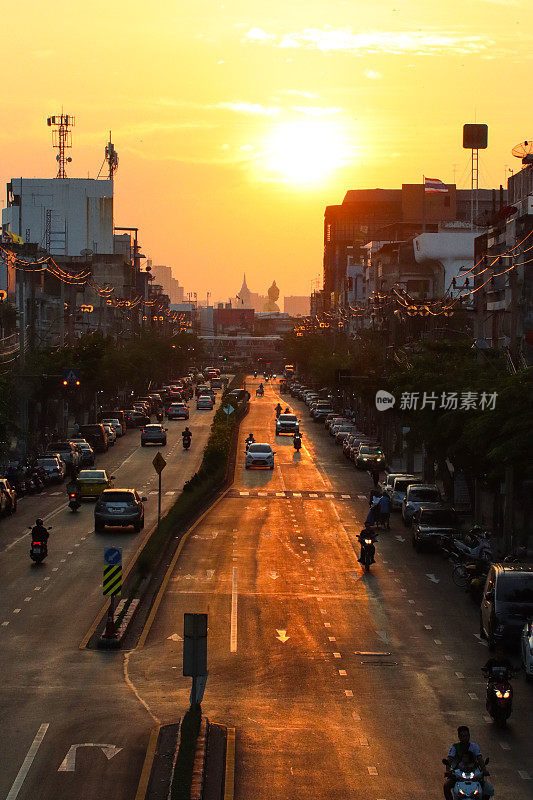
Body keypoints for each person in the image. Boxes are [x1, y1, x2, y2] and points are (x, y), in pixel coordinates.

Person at [444, 727, 493, 800]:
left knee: (488, 788)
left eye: (466, 736)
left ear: (469, 736)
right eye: (462, 736)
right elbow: (449, 759)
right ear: (459, 737)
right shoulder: (455, 747)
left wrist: (484, 770)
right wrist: (448, 771)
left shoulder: (474, 746)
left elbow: (480, 758)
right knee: (446, 786)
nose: (464, 738)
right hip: (459, 774)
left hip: (474, 773)